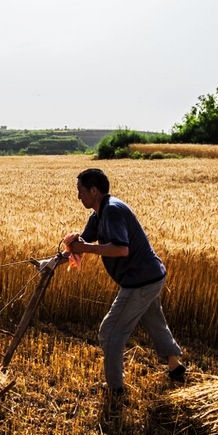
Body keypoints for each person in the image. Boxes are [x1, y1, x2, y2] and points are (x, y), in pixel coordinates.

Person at [63, 168, 185, 403]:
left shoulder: (113, 211)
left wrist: (85, 249)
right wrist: (61, 254)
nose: (78, 196)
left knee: (110, 331)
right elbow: (83, 242)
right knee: (154, 321)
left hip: (140, 281)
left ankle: (115, 388)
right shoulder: (99, 213)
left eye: (80, 191)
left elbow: (121, 249)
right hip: (152, 276)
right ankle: (174, 365)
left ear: (94, 191)